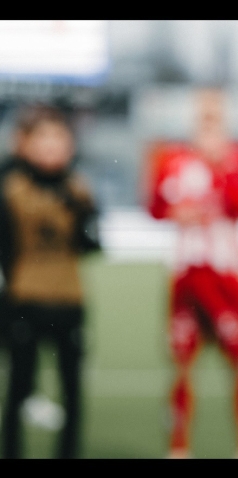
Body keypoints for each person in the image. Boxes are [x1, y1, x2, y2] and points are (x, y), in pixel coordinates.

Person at [145, 87, 238, 458]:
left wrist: (220, 167)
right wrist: (177, 212)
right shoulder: (173, 159)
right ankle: (178, 445)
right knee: (181, 359)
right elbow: (155, 206)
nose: (209, 120)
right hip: (186, 271)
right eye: (203, 113)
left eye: (215, 113)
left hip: (225, 272)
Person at [0, 103, 101, 458]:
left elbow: (92, 244)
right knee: (19, 387)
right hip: (24, 299)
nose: (52, 146)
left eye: (59, 138)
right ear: (24, 143)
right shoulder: (11, 187)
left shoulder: (78, 188)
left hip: (69, 298)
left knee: (72, 391)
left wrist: (82, 213)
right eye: (42, 138)